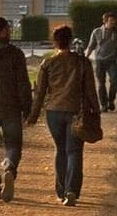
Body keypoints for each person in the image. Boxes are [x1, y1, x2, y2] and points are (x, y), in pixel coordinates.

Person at [28, 24, 98, 205]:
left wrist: (33, 116)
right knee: (74, 151)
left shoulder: (48, 63)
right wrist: (96, 112)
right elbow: (91, 90)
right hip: (77, 112)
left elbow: (40, 93)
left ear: (55, 42)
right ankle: (72, 190)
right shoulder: (82, 62)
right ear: (71, 40)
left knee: (60, 150)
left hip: (54, 112)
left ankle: (60, 191)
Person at [88, 12, 117, 113]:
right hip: (100, 61)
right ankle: (103, 105)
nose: (113, 22)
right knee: (101, 84)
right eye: (111, 21)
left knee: (114, 81)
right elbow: (91, 46)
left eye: (114, 20)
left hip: (112, 61)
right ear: (105, 21)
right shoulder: (97, 32)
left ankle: (111, 101)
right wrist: (86, 57)